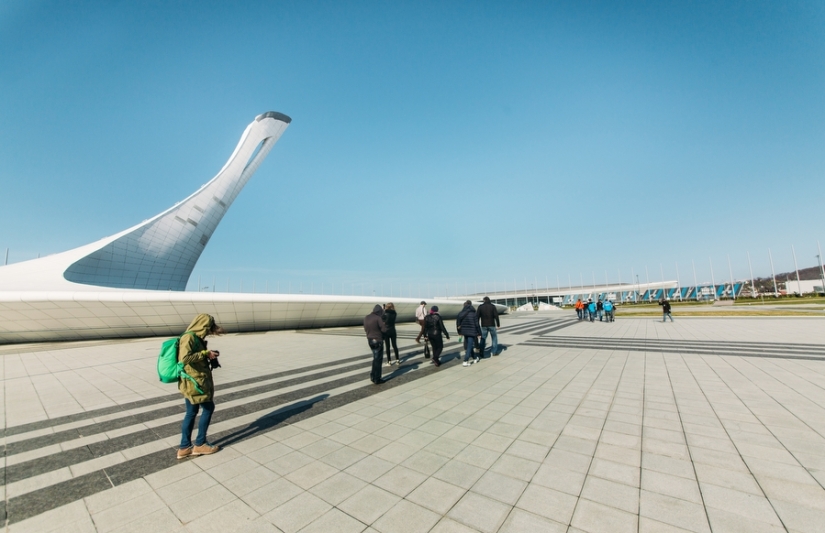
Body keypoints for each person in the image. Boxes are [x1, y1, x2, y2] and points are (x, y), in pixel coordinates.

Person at [177, 313, 224, 460]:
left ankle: (184, 448)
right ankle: (200, 444)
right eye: (209, 328)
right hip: (195, 383)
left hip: (195, 381)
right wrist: (205, 353)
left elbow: (196, 356)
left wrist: (210, 356)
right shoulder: (189, 337)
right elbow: (184, 359)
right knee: (208, 408)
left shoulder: (196, 338)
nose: (209, 331)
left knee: (191, 412)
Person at [364, 304, 388, 384]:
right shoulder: (378, 318)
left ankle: (372, 375)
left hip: (370, 340)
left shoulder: (367, 317)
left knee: (375, 358)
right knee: (378, 360)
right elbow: (384, 329)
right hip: (378, 340)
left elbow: (365, 328)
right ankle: (377, 378)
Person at [456, 300, 481, 366]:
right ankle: (465, 360)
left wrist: (459, 332)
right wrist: (479, 333)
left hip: (464, 331)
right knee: (470, 346)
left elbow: (458, 324)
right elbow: (477, 324)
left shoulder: (460, 313)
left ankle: (475, 358)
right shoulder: (474, 313)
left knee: (469, 345)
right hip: (472, 332)